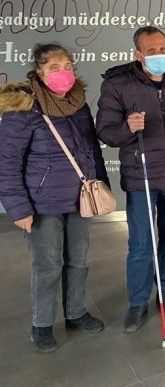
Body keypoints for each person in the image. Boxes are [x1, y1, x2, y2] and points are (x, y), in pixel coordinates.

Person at [0, 44, 106, 353]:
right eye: (54, 68)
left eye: (67, 66)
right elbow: (7, 163)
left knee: (78, 260)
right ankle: (42, 324)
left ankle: (75, 312)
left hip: (79, 199)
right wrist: (18, 208)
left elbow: (91, 149)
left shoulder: (78, 103)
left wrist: (100, 185)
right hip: (41, 204)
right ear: (39, 72)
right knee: (48, 265)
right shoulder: (22, 108)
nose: (63, 73)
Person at [97, 26, 165, 332]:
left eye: (162, 48)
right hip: (140, 176)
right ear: (138, 54)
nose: (158, 54)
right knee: (141, 244)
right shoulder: (117, 85)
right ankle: (138, 301)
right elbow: (105, 131)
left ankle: (164, 289)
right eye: (151, 50)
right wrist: (127, 128)